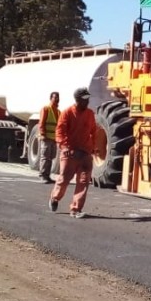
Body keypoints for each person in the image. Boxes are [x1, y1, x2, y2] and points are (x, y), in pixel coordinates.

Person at [48, 87, 97, 219]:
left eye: (88, 99)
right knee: (64, 179)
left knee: (84, 181)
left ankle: (76, 209)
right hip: (70, 152)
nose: (87, 102)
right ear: (77, 100)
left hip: (85, 153)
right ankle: (55, 197)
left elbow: (93, 131)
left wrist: (94, 148)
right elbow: (60, 131)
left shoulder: (90, 114)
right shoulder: (67, 113)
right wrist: (65, 148)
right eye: (84, 100)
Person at [36, 91, 60, 184]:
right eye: (55, 98)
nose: (57, 100)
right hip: (46, 138)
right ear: (51, 98)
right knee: (45, 157)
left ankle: (47, 176)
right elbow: (41, 123)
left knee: (50, 157)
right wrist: (42, 134)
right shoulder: (46, 109)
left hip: (53, 139)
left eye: (58, 98)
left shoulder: (58, 112)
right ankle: (42, 175)